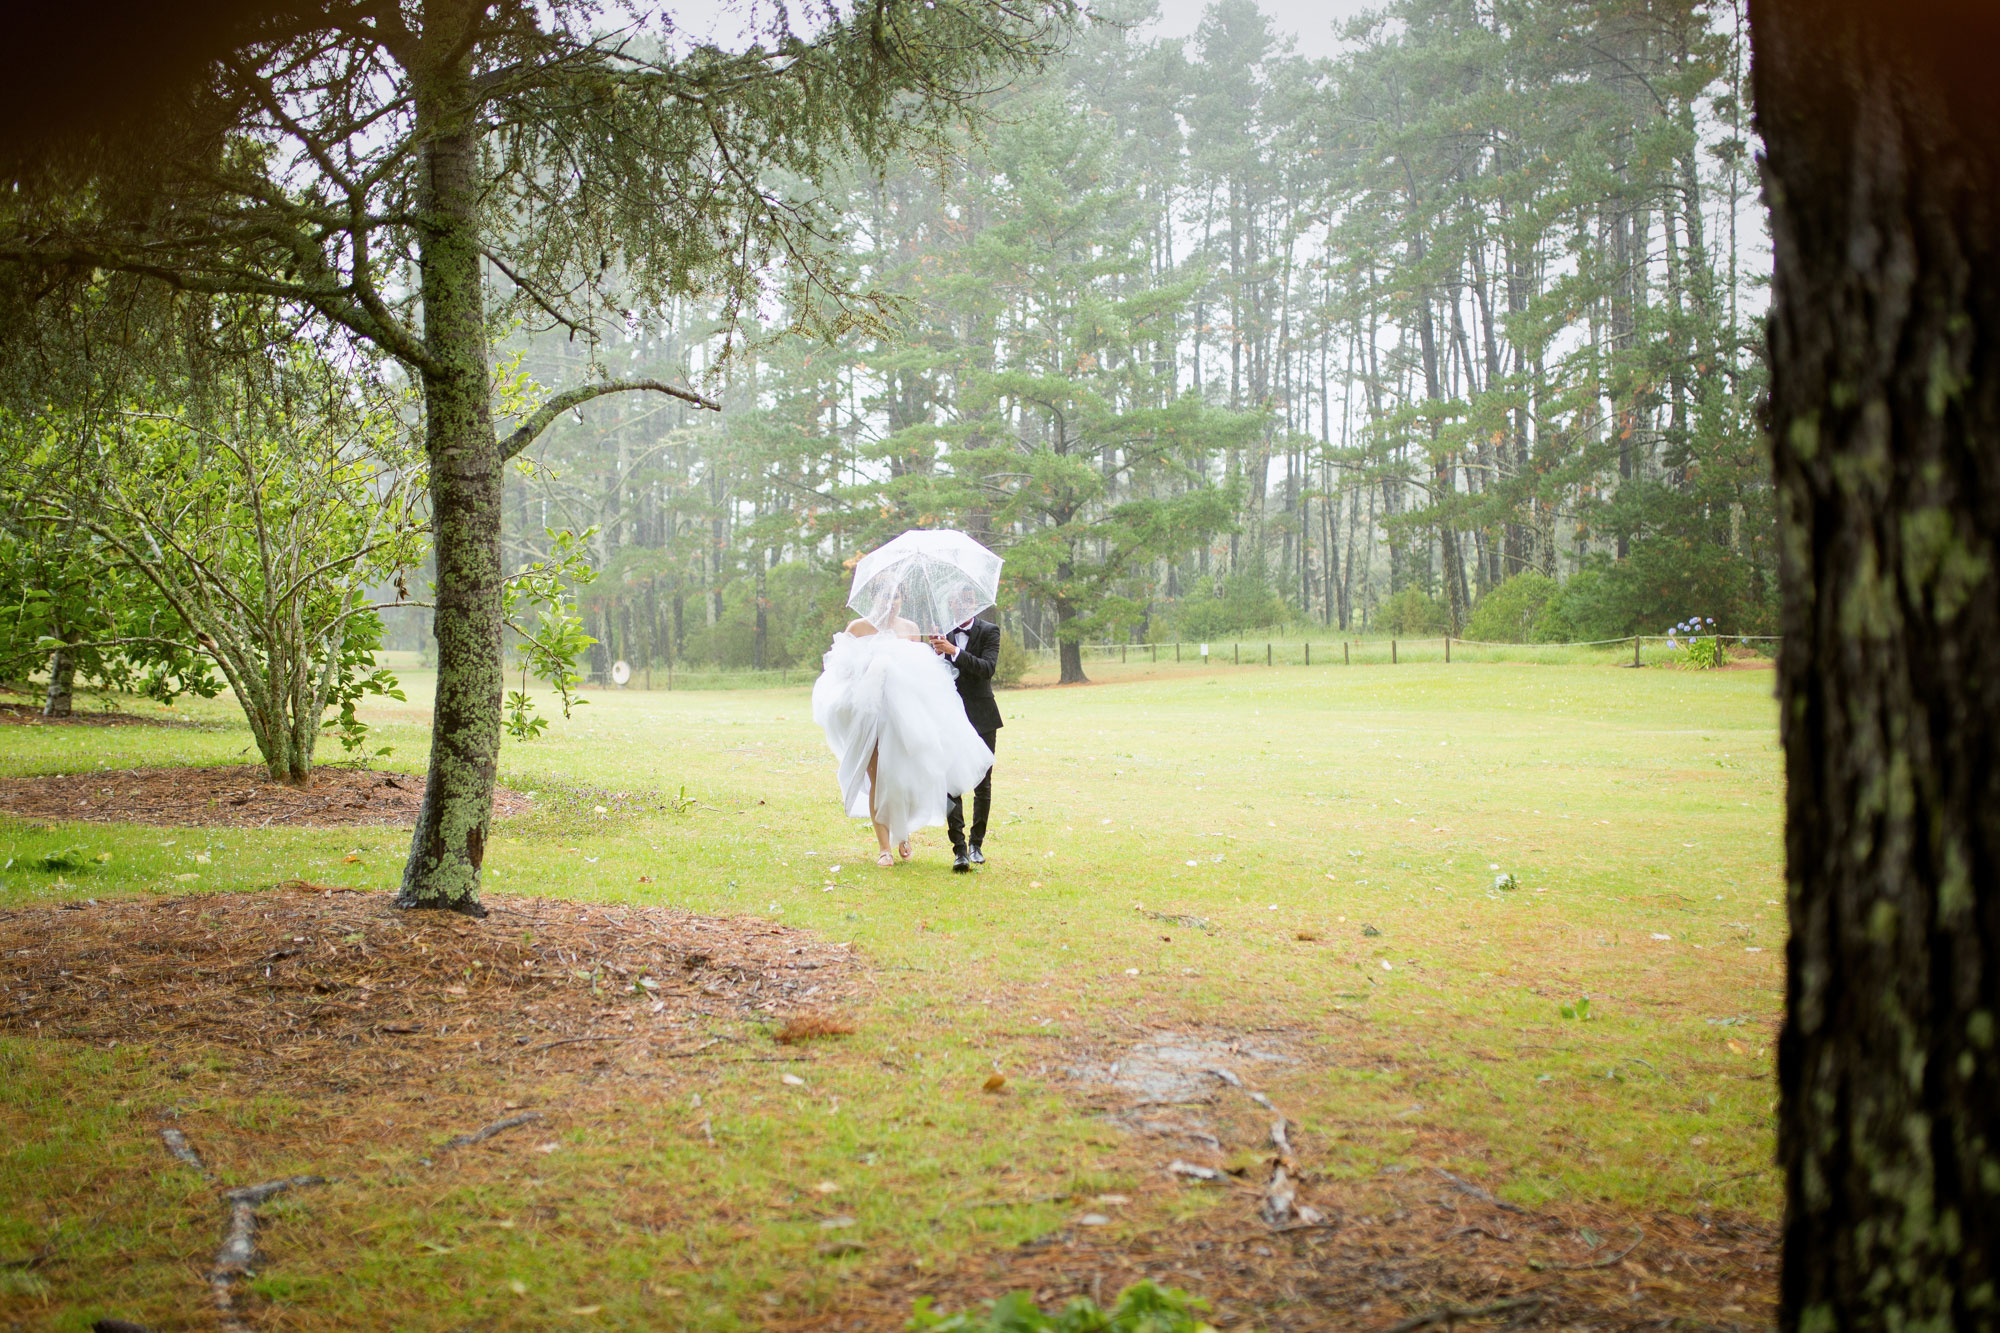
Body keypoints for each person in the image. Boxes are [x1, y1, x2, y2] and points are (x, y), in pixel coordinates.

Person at [811, 598, 994, 868]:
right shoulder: (858, 627)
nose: (892, 603)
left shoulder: (909, 628)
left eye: (896, 597)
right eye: (886, 596)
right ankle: (884, 848)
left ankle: (902, 832)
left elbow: (921, 674)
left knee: (900, 775)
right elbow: (840, 671)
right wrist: (870, 666)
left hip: (902, 717)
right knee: (876, 777)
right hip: (869, 714)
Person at [928, 593, 1002, 873]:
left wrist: (954, 651)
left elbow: (987, 669)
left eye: (968, 603)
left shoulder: (989, 631)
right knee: (951, 783)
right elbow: (934, 677)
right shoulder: (941, 634)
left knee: (983, 782)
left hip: (982, 715)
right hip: (951, 717)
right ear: (951, 605)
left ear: (975, 605)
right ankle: (959, 850)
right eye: (957, 603)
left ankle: (976, 844)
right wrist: (936, 654)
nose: (962, 607)